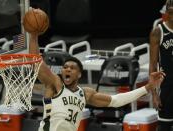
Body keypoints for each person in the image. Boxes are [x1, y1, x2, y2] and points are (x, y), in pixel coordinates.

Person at [29, 9, 165, 131]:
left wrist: (147, 87)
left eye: (72, 68)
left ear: (79, 74)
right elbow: (37, 64)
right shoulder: (55, 85)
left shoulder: (85, 94)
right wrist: (33, 36)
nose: (68, 70)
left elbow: (116, 100)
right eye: (65, 67)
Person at [150, 0, 173, 130]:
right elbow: (152, 67)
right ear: (166, 13)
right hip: (167, 88)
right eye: (171, 13)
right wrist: (154, 94)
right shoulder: (158, 32)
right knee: (164, 127)